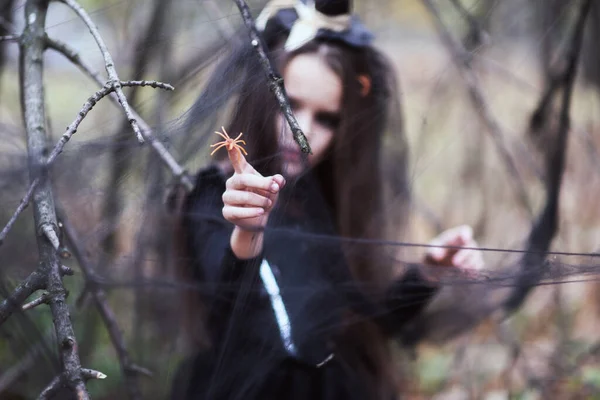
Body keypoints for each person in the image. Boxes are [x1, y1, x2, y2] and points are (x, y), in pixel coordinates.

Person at [170, 0, 484, 399]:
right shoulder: (218, 194)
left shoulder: (324, 203)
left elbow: (363, 324)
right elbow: (229, 314)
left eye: (327, 119)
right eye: (290, 105)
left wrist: (428, 273)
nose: (303, 132)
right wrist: (247, 234)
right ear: (262, 97)